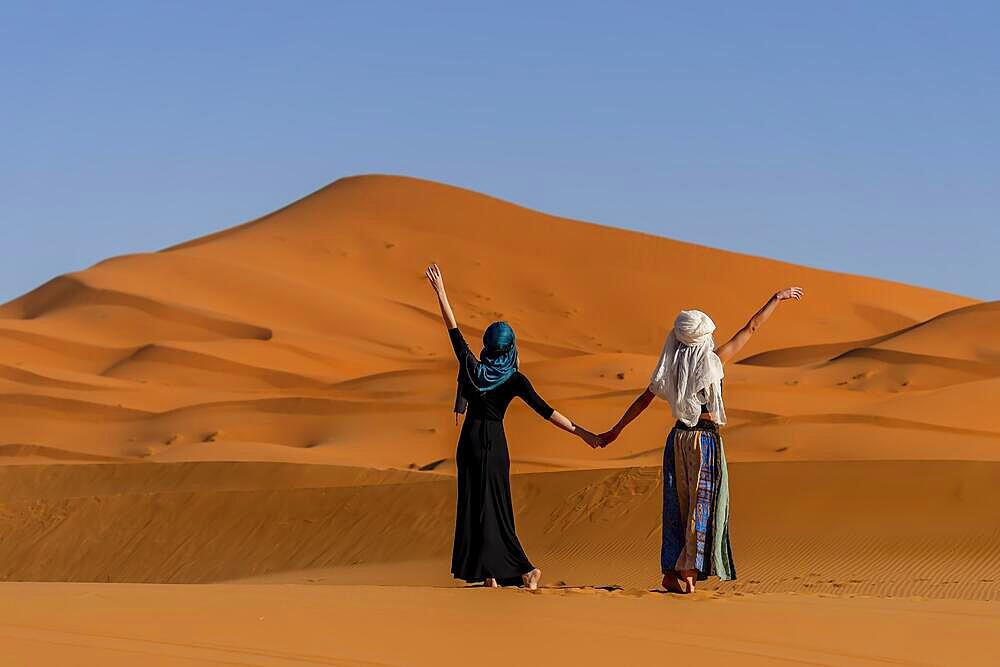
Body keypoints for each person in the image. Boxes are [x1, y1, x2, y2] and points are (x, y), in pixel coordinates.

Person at [599, 287, 804, 593]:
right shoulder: (713, 361)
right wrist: (776, 299)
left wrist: (616, 429)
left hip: (677, 440)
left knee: (676, 505)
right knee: (702, 505)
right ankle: (689, 572)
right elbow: (751, 329)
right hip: (705, 442)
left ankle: (672, 570)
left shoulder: (671, 369)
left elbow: (643, 400)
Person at [425, 264, 602, 589]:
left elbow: (453, 329)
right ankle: (500, 574)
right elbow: (546, 411)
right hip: (493, 445)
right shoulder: (514, 379)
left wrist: (441, 292)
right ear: (509, 349)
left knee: (476, 506)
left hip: (470, 445)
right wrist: (583, 433)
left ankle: (515, 571)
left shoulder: (471, 365)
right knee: (495, 510)